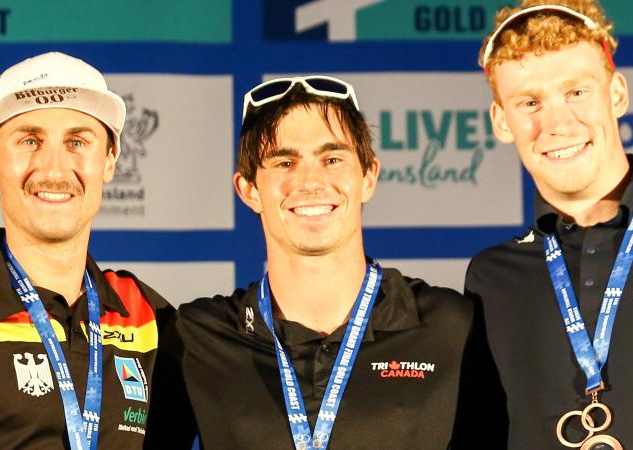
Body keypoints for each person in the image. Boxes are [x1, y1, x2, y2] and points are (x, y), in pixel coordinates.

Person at [147, 76, 505, 449]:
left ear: (368, 177)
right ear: (249, 190)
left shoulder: (453, 326)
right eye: (285, 161)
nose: (311, 180)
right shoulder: (197, 338)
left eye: (332, 158)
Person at [0, 52, 173, 449]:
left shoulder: (144, 314)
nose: (54, 169)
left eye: (77, 141)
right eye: (29, 140)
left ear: (109, 161)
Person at [466, 1, 633, 448]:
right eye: (529, 102)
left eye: (576, 92)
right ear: (501, 121)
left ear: (617, 94)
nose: (557, 123)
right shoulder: (490, 278)